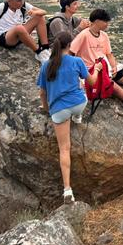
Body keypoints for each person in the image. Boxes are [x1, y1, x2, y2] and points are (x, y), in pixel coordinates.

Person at [37, 32, 96, 204]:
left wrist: (48, 109)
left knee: (64, 149)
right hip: (79, 103)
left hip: (59, 110)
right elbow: (91, 82)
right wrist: (98, 70)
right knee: (81, 87)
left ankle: (67, 190)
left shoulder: (46, 66)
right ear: (69, 45)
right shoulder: (77, 61)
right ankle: (77, 117)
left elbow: (42, 92)